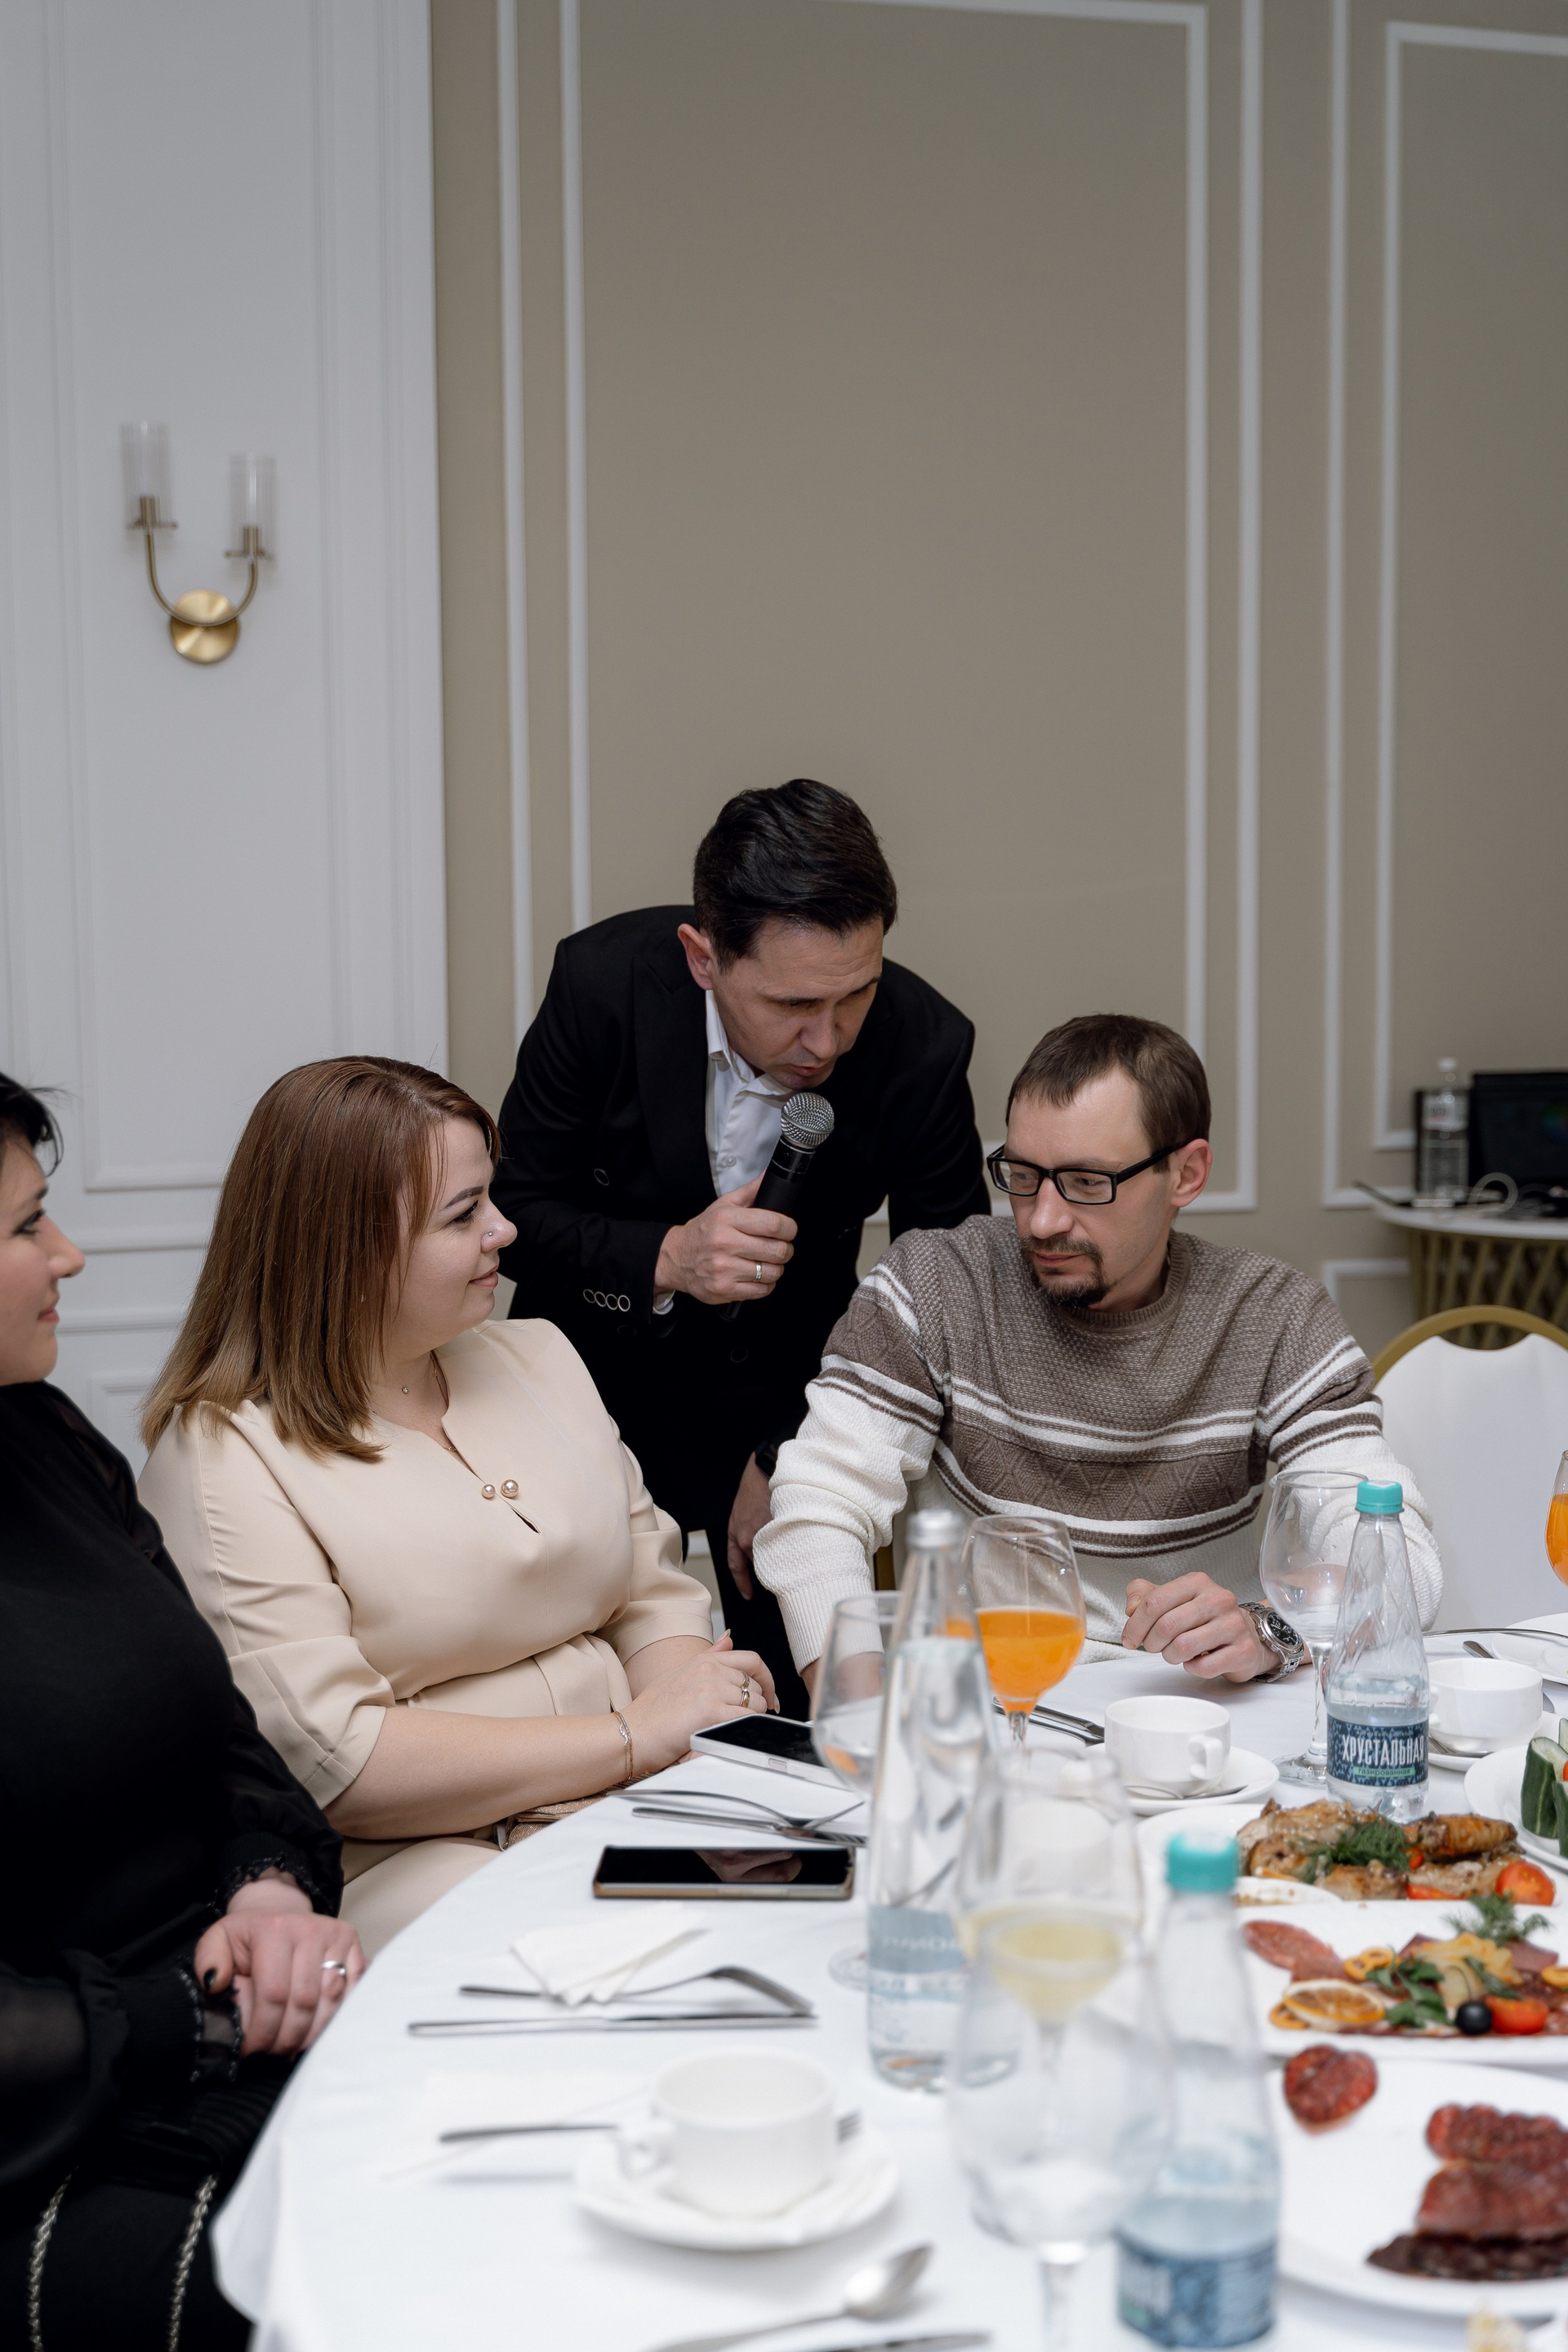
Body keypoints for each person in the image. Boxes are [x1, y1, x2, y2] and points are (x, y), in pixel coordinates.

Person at [140, 1058, 773, 1958]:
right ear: (347, 1249)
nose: (504, 1230)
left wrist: (694, 1717)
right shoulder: (224, 1455)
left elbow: (649, 1591)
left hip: (638, 1806)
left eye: (492, 1198)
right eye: (463, 1213)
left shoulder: (540, 1356)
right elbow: (342, 1762)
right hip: (423, 1862)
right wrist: (635, 1737)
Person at [492, 779, 989, 1717]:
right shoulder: (600, 986)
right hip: (585, 1395)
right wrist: (668, 1259)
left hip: (783, 1398)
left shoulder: (923, 1044)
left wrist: (795, 1448)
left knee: (794, 1717)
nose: (827, 1040)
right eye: (793, 1002)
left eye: (857, 993)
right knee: (578, 1705)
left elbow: (943, 1294)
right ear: (703, 957)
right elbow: (515, 1212)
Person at [753, 1013, 1441, 1686]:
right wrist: (858, 1704)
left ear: (1187, 1174)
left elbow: (1397, 1557)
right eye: (1023, 1175)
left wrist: (1270, 1633)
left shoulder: (1275, 1316)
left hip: (1205, 1709)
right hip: (996, 1700)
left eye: (1088, 1183)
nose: (1043, 1220)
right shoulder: (935, 1285)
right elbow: (819, 1508)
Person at [0, 1073, 361, 2352]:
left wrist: (269, 1891)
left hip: (229, 2030)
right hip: (54, 2144)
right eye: (25, 1227)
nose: (68, 1254)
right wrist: (202, 2018)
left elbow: (223, 1736)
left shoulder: (46, 1441)